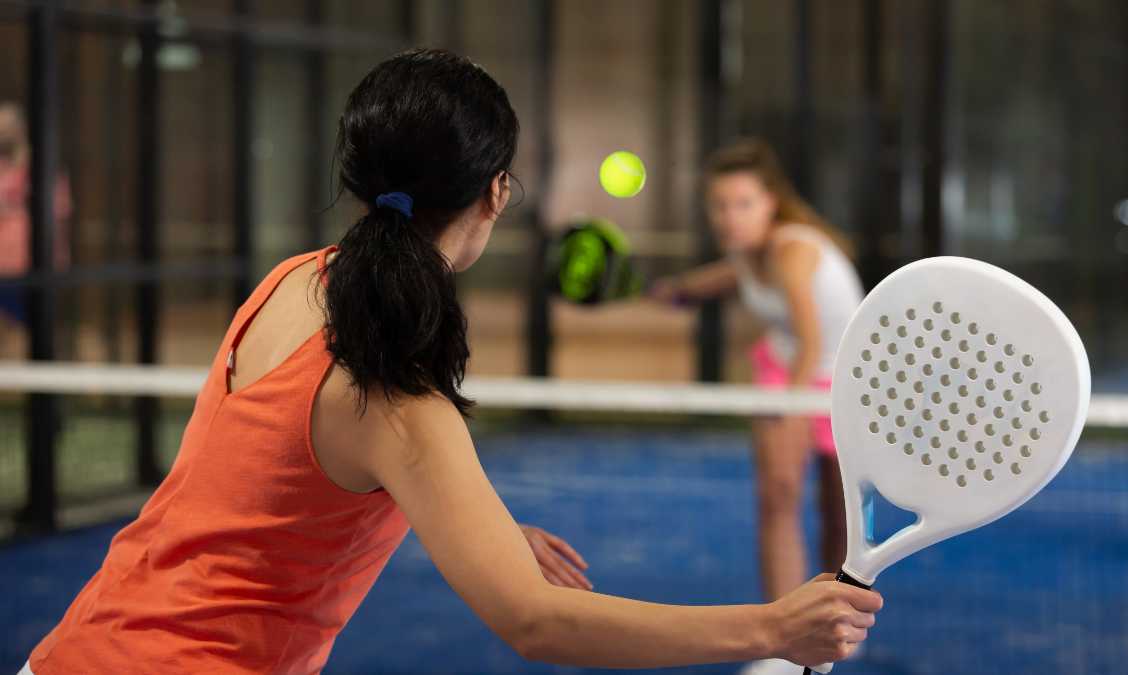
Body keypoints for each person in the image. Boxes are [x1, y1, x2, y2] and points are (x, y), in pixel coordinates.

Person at [21, 51, 879, 675]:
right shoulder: (395, 391)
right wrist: (772, 628)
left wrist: (490, 527)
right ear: (495, 192)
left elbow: (292, 480)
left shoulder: (292, 282)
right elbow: (537, 622)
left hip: (74, 650)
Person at [651, 139, 867, 675]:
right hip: (784, 370)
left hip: (844, 382)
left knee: (839, 518)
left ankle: (834, 628)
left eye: (743, 204)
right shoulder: (745, 255)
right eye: (720, 206)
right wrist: (670, 291)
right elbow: (717, 280)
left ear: (771, 203)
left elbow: (814, 341)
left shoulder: (794, 248)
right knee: (777, 498)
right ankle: (786, 642)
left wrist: (792, 409)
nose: (730, 217)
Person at [0, 102, 71, 351]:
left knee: (35, 336)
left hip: (33, 266)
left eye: (9, 126)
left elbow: (59, 209)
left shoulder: (41, 168)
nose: (4, 133)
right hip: (3, 267)